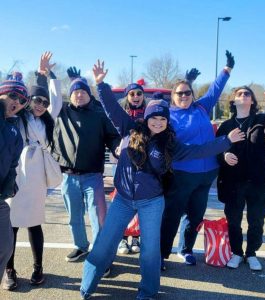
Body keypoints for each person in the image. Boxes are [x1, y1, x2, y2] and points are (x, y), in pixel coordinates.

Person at [79, 60, 244, 300]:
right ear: (146, 118)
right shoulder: (130, 128)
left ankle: (147, 292)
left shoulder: (171, 144)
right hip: (123, 199)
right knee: (105, 244)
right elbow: (111, 108)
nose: (158, 122)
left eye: (162, 119)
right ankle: (87, 286)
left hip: (151, 202)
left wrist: (226, 141)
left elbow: (199, 150)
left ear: (168, 121)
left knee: (150, 251)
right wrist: (101, 84)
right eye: (153, 118)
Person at [160, 51, 235, 268]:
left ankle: (185, 248)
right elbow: (190, 150)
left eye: (187, 93)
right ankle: (161, 254)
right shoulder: (169, 118)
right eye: (179, 93)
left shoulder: (201, 107)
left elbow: (215, 90)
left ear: (192, 94)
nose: (184, 96)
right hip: (182, 174)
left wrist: (226, 70)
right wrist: (224, 142)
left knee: (195, 215)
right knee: (172, 216)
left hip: (207, 175)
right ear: (172, 97)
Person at [2, 52, 62, 291]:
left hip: (37, 176)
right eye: (36, 100)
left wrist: (51, 75)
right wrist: (39, 74)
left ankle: (38, 268)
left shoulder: (48, 120)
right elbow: (20, 97)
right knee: (11, 225)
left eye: (44, 102)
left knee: (35, 224)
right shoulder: (21, 117)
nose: (40, 105)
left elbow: (56, 101)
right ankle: (9, 270)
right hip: (18, 173)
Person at [52, 63, 121, 265]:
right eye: (75, 91)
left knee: (99, 218)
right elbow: (48, 98)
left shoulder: (99, 113)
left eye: (83, 91)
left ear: (89, 94)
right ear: (70, 95)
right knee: (74, 216)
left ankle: (100, 254)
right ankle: (81, 246)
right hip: (68, 176)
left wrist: (117, 147)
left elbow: (112, 136)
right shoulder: (61, 112)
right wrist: (46, 75)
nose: (79, 95)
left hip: (93, 176)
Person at [216, 86, 265, 271]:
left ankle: (252, 253)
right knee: (233, 219)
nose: (243, 96)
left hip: (257, 180)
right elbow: (215, 150)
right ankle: (237, 252)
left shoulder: (261, 120)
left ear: (253, 101)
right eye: (239, 94)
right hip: (233, 181)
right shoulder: (226, 126)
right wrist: (224, 155)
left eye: (247, 94)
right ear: (233, 101)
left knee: (256, 219)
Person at [117, 83, 146, 254]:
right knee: (122, 203)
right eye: (132, 93)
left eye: (139, 93)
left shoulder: (148, 113)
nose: (136, 96)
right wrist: (115, 146)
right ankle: (122, 239)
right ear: (127, 96)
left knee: (140, 203)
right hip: (123, 163)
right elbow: (113, 133)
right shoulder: (121, 114)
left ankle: (135, 237)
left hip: (143, 165)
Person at [0, 99, 23, 281]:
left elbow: (12, 164)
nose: (17, 101)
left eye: (22, 100)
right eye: (13, 95)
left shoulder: (14, 130)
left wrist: (8, 187)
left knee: (5, 247)